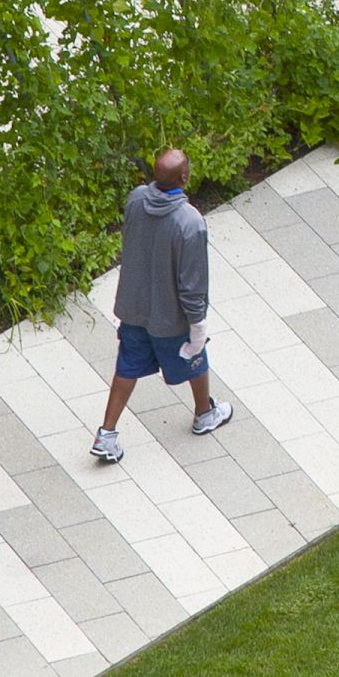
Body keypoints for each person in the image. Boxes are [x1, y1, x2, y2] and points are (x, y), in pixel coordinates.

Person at [90, 149, 231, 463]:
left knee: (126, 367)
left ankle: (107, 434)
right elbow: (192, 284)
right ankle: (204, 414)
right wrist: (197, 326)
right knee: (196, 358)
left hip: (133, 307)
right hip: (170, 318)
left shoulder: (136, 199)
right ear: (184, 177)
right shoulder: (190, 222)